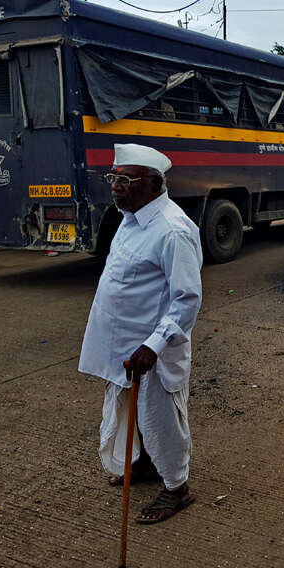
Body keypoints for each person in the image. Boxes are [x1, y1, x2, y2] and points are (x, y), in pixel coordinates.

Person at [79, 143, 203, 524]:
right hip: (123, 343)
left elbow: (186, 299)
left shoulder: (172, 230)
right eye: (114, 178)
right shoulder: (129, 218)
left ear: (153, 183)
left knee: (161, 417)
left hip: (154, 348)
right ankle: (146, 465)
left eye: (126, 180)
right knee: (132, 410)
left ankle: (176, 488)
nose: (116, 186)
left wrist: (153, 345)